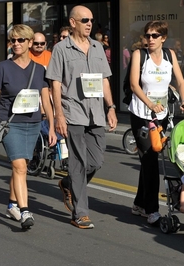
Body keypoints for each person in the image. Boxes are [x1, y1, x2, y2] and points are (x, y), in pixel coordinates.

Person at [46, 5, 118, 229]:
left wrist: (111, 107)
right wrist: (59, 115)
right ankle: (80, 213)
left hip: (95, 112)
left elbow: (105, 79)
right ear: (73, 22)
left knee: (96, 161)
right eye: (85, 20)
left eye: (91, 20)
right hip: (73, 111)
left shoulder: (98, 47)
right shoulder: (61, 49)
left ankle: (68, 183)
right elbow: (55, 83)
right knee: (78, 162)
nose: (89, 24)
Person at [0, 24, 57, 230]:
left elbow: (46, 101)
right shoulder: (3, 67)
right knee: (20, 167)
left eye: (20, 40)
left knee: (20, 166)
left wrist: (51, 127)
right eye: (13, 40)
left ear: (30, 43)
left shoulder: (40, 70)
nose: (16, 43)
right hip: (10, 124)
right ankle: (25, 211)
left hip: (32, 124)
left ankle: (12, 204)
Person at [127, 20, 184, 224]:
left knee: (149, 159)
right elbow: (134, 85)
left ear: (163, 38)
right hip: (141, 114)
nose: (150, 39)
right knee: (150, 160)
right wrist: (150, 105)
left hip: (161, 116)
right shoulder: (139, 55)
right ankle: (151, 209)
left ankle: (139, 203)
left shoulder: (169, 55)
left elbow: (180, 80)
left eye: (155, 36)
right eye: (147, 35)